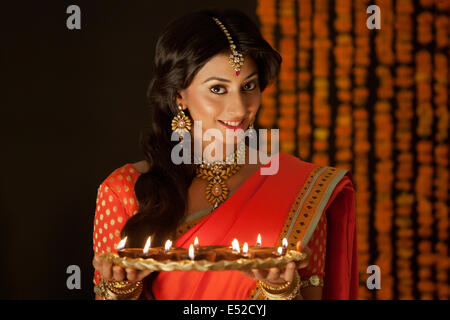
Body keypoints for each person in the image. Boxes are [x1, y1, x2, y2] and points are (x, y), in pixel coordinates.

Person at [92, 8, 358, 300]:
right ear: (179, 95)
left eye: (249, 86)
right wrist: (121, 288)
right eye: (218, 88)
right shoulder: (123, 191)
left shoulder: (302, 189)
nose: (240, 108)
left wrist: (280, 290)